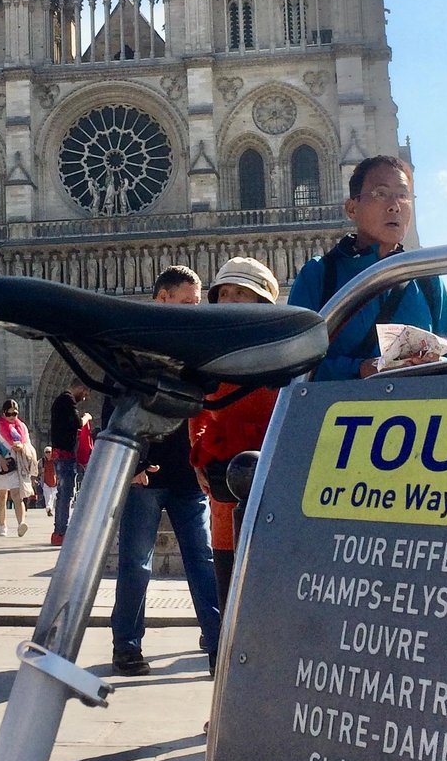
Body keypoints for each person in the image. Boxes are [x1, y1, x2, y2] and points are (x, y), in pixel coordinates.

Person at [109, 266, 222, 677]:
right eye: (188, 301)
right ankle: (127, 646)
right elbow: (116, 406)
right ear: (162, 298)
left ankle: (218, 642)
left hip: (188, 473)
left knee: (203, 559)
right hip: (147, 475)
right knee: (136, 563)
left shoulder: (197, 347)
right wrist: (134, 465)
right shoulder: (134, 347)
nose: (195, 309)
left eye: (197, 302)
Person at [286, 155, 447, 380]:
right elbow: (290, 365)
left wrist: (439, 364)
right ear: (352, 208)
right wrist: (360, 369)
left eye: (403, 195)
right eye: (380, 194)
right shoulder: (319, 275)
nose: (394, 206)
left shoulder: (426, 279)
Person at [190, 257, 282, 612]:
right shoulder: (210, 352)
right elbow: (196, 408)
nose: (229, 300)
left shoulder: (284, 348)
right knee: (230, 589)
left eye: (240, 293)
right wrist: (198, 454)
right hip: (225, 475)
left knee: (270, 590)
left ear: (262, 300)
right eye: (223, 293)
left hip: (273, 468)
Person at [0, 398, 37, 537]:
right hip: (0, 465)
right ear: (4, 413)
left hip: (15, 464)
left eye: (15, 413)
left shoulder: (21, 426)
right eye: (9, 414)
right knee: (1, 496)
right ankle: (3, 526)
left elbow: (28, 443)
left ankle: (21, 524)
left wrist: (22, 446)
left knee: (17, 495)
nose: (12, 416)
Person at [48, 377, 88, 546]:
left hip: (60, 454)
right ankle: (61, 532)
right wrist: (86, 418)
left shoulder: (61, 401)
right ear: (80, 388)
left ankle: (59, 532)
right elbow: (78, 423)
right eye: (85, 393)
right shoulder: (67, 400)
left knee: (63, 494)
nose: (84, 398)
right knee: (66, 495)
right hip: (65, 455)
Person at [39, 447, 57, 516]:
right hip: (45, 482)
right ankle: (48, 509)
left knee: (53, 497)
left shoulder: (55, 460)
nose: (48, 453)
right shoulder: (41, 461)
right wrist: (40, 471)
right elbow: (36, 470)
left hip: (55, 482)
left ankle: (50, 508)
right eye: (46, 452)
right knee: (48, 496)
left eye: (49, 452)